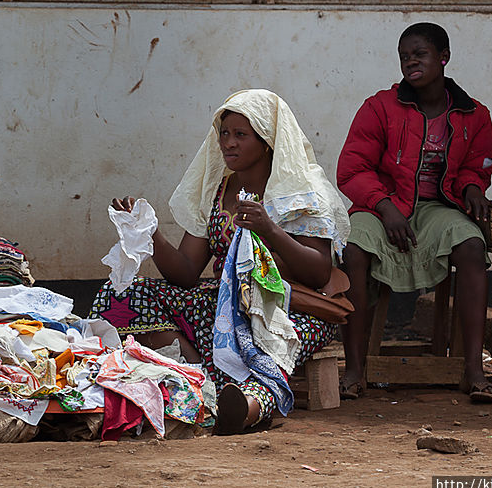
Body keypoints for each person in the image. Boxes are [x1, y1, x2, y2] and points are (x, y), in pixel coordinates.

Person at [89, 88, 350, 434]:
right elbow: (184, 272)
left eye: (241, 135)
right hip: (224, 306)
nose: (228, 143)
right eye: (224, 134)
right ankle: (202, 381)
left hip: (285, 310)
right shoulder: (219, 190)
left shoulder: (299, 192)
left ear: (267, 142)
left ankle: (247, 407)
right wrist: (150, 233)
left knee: (268, 353)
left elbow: (318, 272)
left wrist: (269, 229)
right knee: (122, 294)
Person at [336, 22, 492, 403]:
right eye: (404, 56)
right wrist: (385, 207)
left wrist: (474, 187)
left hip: (437, 207)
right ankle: (355, 370)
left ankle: (474, 372)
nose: (411, 61)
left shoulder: (475, 115)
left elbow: (476, 166)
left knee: (472, 247)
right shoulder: (378, 107)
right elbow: (352, 169)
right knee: (354, 250)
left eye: (420, 54)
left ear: (443, 58)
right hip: (382, 202)